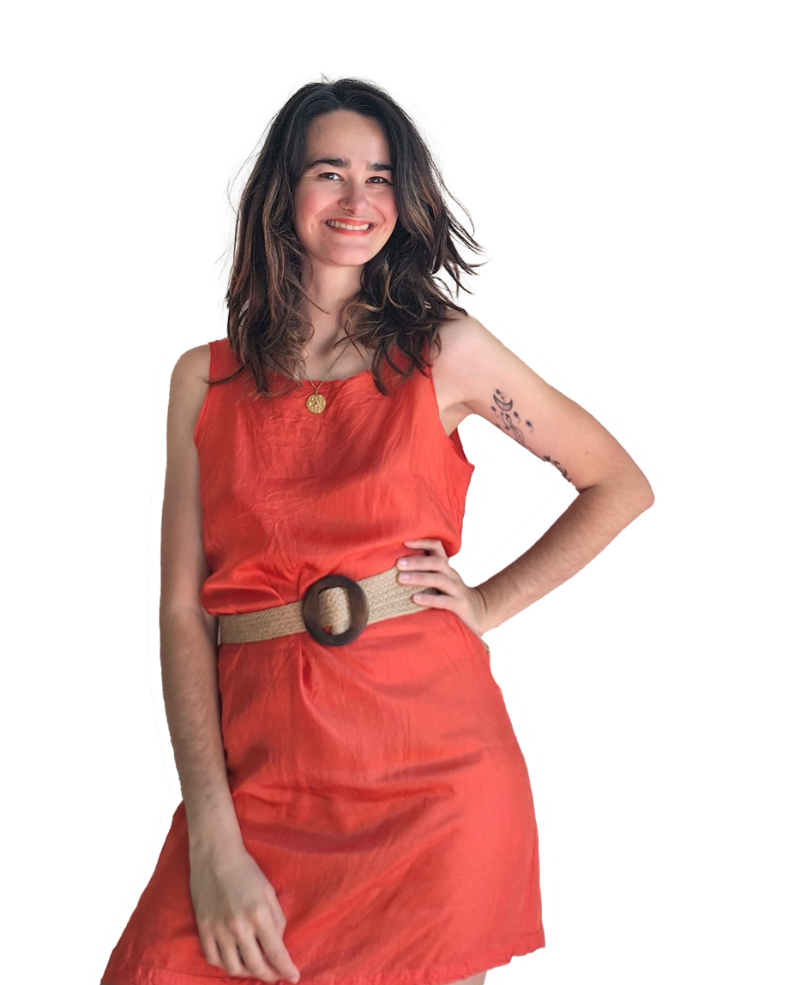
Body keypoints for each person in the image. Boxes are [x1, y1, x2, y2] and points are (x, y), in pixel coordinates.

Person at [101, 73, 658, 985]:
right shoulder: (202, 379)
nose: (357, 199)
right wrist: (209, 834)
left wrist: (487, 602)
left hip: (432, 787)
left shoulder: (444, 349)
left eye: (382, 177)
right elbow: (178, 612)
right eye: (330, 172)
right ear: (282, 191)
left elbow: (618, 482)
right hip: (261, 783)